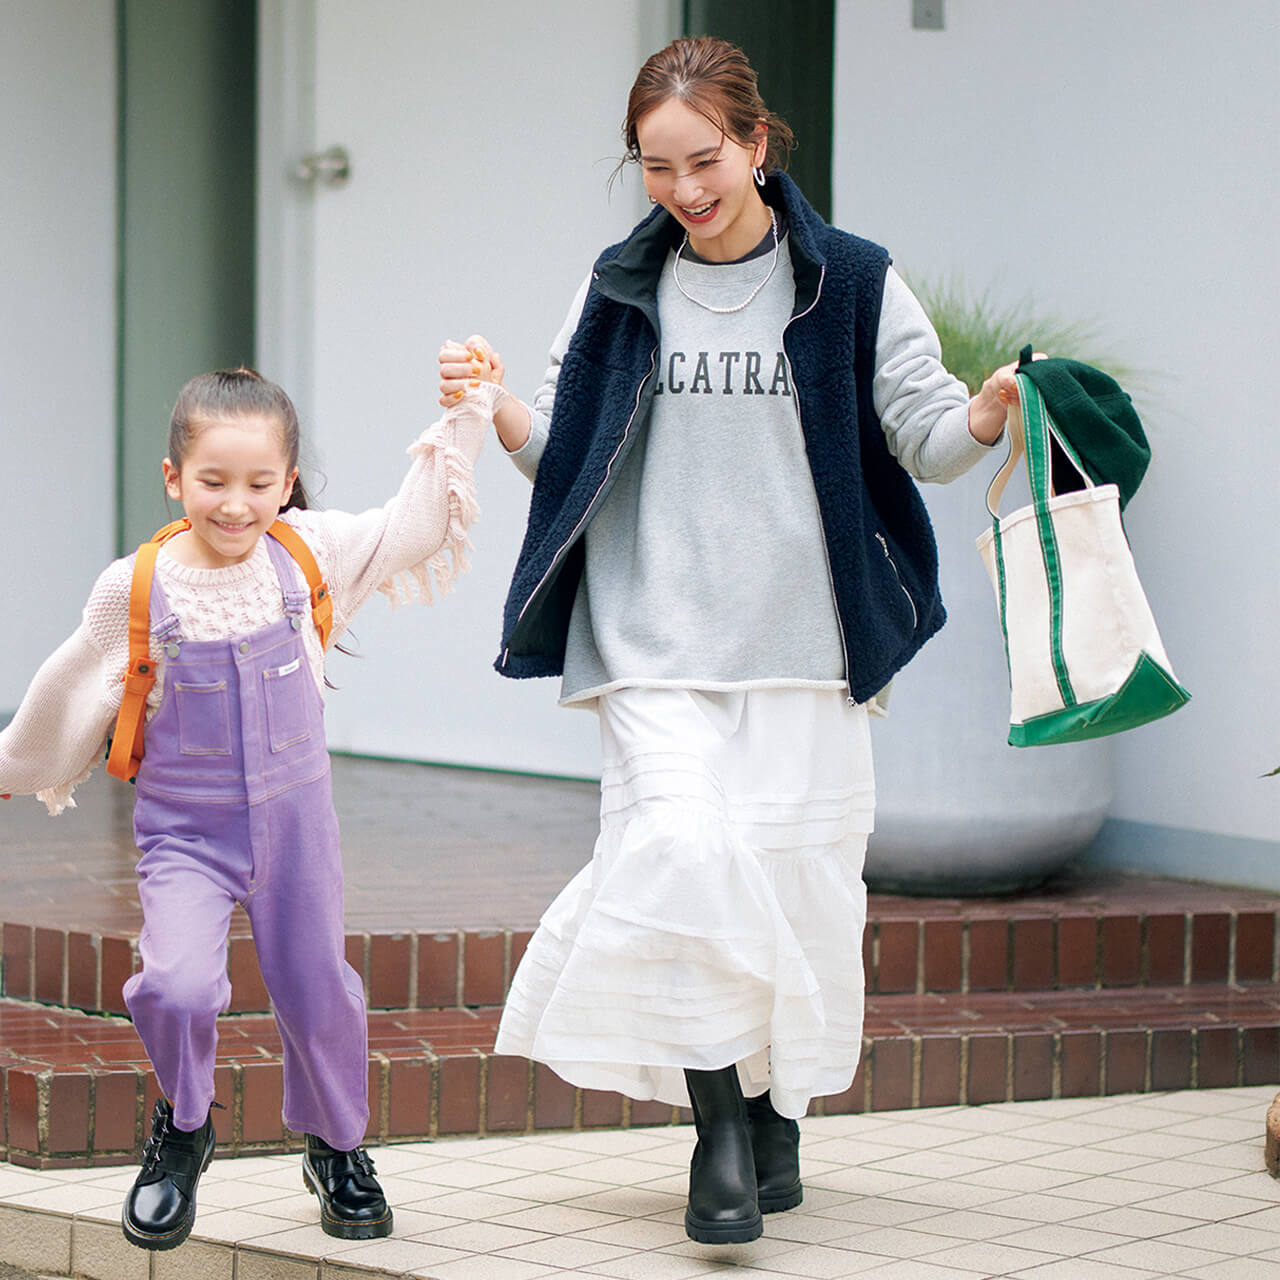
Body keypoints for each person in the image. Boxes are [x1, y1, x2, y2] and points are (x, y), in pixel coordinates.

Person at [439, 36, 1021, 1246]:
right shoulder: (619, 287)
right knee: (684, 853)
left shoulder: (851, 280)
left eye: (703, 160)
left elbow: (924, 434)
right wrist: (496, 406)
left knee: (794, 890)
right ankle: (715, 1134)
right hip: (649, 637)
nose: (684, 190)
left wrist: (981, 412)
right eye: (655, 168)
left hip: (802, 645)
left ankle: (771, 1108)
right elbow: (567, 451)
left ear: (757, 144)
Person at [0, 366, 502, 1250]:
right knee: (177, 984)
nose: (236, 506)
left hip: (297, 825)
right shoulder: (137, 586)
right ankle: (184, 1128)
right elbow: (66, 687)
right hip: (185, 831)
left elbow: (414, 524)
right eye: (213, 482)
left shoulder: (309, 552)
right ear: (173, 478)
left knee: (318, 994)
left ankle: (336, 1148)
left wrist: (464, 412)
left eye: (260, 484)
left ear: (290, 479)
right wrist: (12, 765)